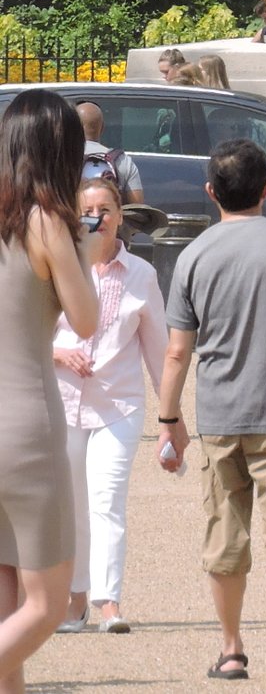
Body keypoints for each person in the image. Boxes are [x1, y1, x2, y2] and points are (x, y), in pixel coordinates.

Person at [157, 138, 266, 686]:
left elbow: (178, 349)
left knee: (225, 536)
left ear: (210, 192)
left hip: (221, 414)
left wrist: (168, 418)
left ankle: (230, 650)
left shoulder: (194, 255)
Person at [0, 90, 99, 693]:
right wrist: (80, 240)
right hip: (25, 425)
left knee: (7, 598)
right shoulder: (45, 220)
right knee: (47, 602)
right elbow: (86, 319)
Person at [52, 175, 166, 634]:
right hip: (61, 402)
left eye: (106, 209)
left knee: (106, 501)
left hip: (118, 405)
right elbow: (22, 335)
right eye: (88, 209)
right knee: (73, 504)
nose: (96, 217)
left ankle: (108, 603)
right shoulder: (57, 267)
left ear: (121, 216)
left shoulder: (143, 274)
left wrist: (170, 418)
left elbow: (159, 350)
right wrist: (58, 352)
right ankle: (75, 600)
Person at [74, 103, 144, 203]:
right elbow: (138, 207)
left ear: (72, 127)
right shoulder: (123, 161)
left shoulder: (62, 159)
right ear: (102, 128)